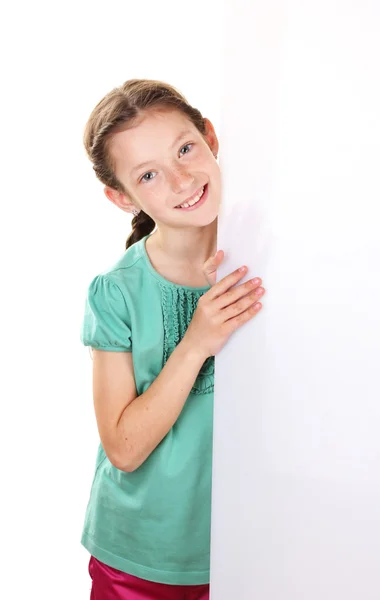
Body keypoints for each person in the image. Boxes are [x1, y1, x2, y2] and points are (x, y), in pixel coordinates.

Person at [80, 78, 266, 599]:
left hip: (254, 545)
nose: (182, 179)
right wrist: (197, 341)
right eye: (149, 175)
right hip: (139, 557)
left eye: (185, 148)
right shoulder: (116, 293)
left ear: (209, 136)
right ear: (122, 197)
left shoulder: (267, 249)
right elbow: (123, 449)